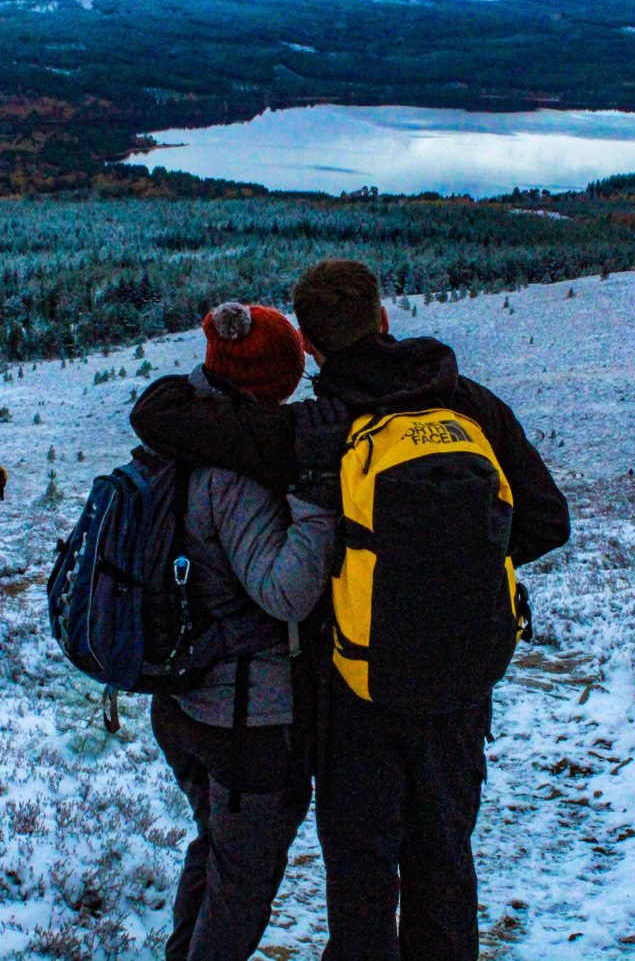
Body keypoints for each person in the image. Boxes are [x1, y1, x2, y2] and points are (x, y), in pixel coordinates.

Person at [131, 260, 571, 960]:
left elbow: (157, 416)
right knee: (445, 861)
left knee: (363, 878)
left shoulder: (313, 428)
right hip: (460, 682)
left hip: (353, 693)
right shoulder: (470, 404)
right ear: (385, 317)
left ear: (310, 345)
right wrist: (450, 571)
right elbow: (548, 520)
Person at [146, 301, 340, 961]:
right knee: (242, 886)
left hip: (182, 700)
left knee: (214, 848)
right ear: (272, 381)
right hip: (243, 720)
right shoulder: (233, 476)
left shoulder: (177, 433)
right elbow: (285, 592)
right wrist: (315, 496)